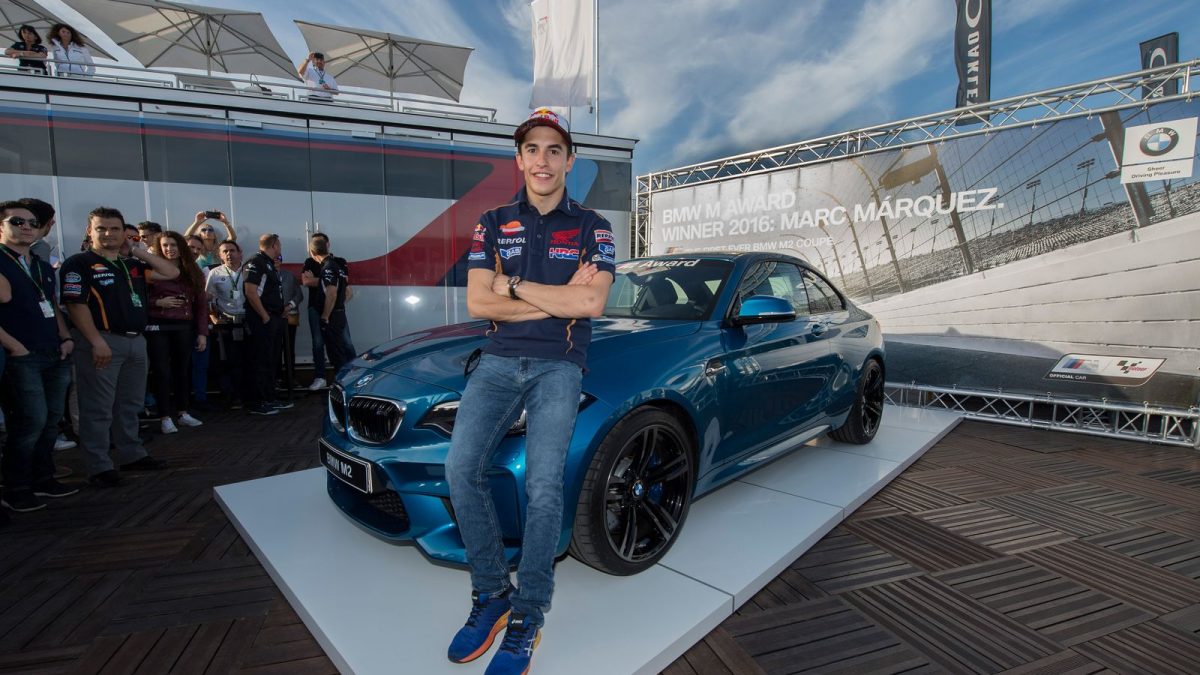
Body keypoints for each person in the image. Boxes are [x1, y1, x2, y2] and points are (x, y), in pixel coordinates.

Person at [444, 108, 614, 675]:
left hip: (559, 367)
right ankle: (492, 592)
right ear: (519, 160)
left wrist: (512, 284)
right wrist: (557, 299)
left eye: (554, 150)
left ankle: (528, 613)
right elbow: (478, 302)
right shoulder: (492, 222)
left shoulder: (594, 225)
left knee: (542, 487)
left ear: (569, 160)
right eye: (532, 149)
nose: (543, 160)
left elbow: (591, 302)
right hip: (496, 362)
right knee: (459, 470)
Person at [60, 207, 177, 488]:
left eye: (115, 229)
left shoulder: (131, 264)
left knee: (130, 403)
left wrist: (135, 250)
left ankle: (132, 454)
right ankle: (99, 466)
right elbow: (75, 305)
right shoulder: (79, 263)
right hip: (101, 341)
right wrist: (96, 341)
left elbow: (171, 271)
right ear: (90, 231)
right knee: (98, 408)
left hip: (136, 341)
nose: (108, 234)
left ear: (124, 232)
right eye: (101, 228)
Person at [0, 201, 78, 514]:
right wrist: (13, 346)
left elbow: (52, 304)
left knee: (50, 421)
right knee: (29, 421)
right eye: (17, 221)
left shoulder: (41, 266)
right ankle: (16, 488)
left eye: (32, 222)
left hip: (54, 351)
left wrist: (66, 336)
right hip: (21, 355)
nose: (26, 227)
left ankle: (44, 478)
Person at [145, 231, 208, 434]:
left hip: (184, 326)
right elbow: (136, 298)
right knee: (161, 371)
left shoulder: (193, 271)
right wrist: (157, 302)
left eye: (173, 245)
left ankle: (183, 412)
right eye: (165, 245)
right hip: (157, 326)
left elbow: (201, 305)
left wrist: (202, 333)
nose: (169, 249)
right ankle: (165, 417)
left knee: (182, 370)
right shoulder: (150, 269)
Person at [242, 234, 292, 416]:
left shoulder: (269, 263)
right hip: (261, 320)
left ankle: (270, 397)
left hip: (274, 318)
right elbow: (251, 291)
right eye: (279, 245)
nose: (280, 248)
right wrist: (264, 316)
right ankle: (257, 402)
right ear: (274, 245)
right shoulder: (256, 262)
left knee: (271, 360)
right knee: (260, 360)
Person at [300, 232, 355, 389]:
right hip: (318, 308)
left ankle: (351, 377)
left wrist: (327, 313)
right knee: (321, 343)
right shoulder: (311, 262)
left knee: (343, 344)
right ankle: (323, 377)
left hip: (334, 312)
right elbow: (306, 282)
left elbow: (336, 289)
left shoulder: (335, 263)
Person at [205, 239, 246, 408]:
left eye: (232, 250)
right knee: (228, 360)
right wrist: (213, 318)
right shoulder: (215, 273)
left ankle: (247, 394)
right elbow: (208, 298)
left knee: (247, 359)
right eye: (225, 251)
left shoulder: (248, 271)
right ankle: (231, 395)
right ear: (220, 255)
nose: (229, 254)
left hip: (247, 320)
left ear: (239, 253)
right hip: (226, 321)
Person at [316, 245, 355, 375]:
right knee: (340, 349)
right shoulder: (338, 266)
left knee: (336, 353)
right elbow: (349, 293)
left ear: (312, 252)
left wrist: (325, 315)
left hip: (333, 317)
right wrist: (339, 305)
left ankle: (342, 381)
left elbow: (331, 293)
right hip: (340, 314)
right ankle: (348, 376)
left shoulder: (328, 267)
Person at [277, 265, 304, 392]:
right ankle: (276, 378)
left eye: (279, 258)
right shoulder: (263, 275)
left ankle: (290, 378)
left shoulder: (289, 275)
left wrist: (289, 306)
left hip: (289, 317)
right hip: (272, 318)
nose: (276, 261)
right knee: (274, 350)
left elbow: (299, 295)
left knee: (289, 349)